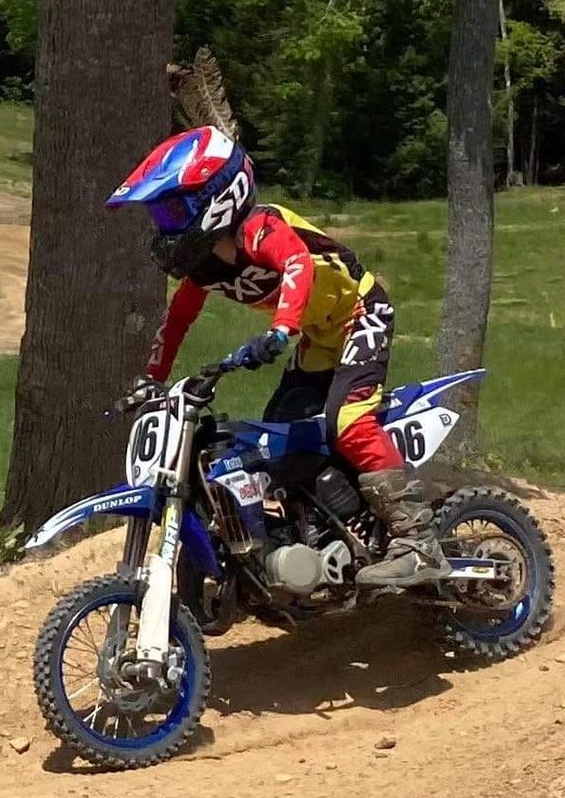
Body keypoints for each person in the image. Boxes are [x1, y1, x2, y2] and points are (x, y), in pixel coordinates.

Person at [107, 126, 448, 587]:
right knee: (279, 439)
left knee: (349, 420)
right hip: (318, 336)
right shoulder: (205, 268)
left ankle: (419, 541)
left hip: (361, 313)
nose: (164, 227)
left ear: (218, 198)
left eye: (172, 211)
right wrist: (152, 376)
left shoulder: (261, 228)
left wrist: (282, 327)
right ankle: (317, 533)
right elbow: (178, 320)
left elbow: (296, 263)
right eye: (160, 216)